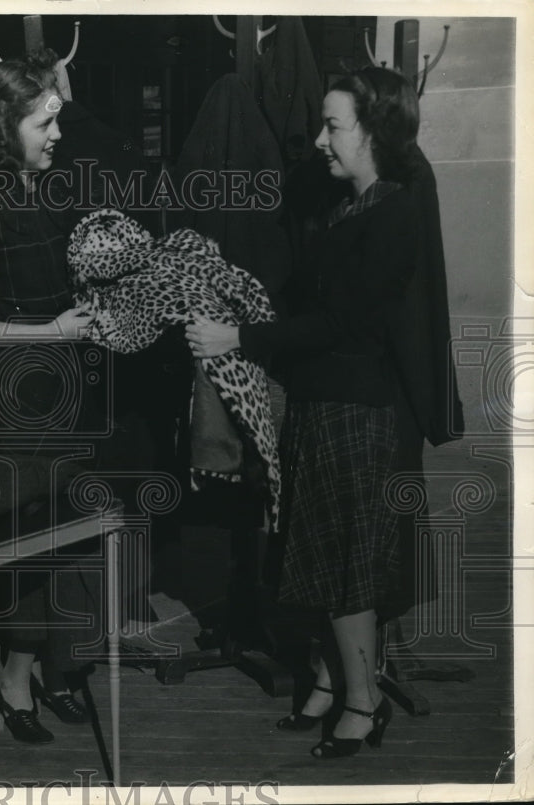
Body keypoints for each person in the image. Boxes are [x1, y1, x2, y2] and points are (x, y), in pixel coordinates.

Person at [186, 67, 422, 759]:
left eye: (334, 126)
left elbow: (340, 321)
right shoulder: (348, 205)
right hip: (322, 406)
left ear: (375, 131)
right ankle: (327, 678)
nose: (319, 139)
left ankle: (362, 701)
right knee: (316, 552)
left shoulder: (395, 213)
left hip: (357, 411)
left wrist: (239, 338)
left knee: (347, 564)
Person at [0, 51, 100, 744]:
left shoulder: (51, 187)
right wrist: (49, 330)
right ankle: (12, 682)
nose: (57, 134)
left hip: (67, 390)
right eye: (44, 122)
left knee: (65, 541)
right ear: (8, 123)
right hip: (18, 402)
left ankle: (49, 669)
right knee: (27, 543)